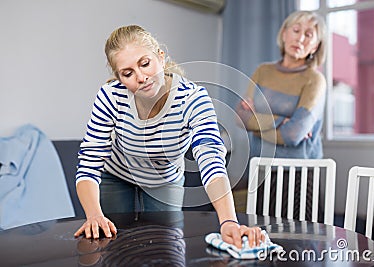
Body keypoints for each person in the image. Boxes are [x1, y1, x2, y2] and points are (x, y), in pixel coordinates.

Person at [73, 25, 263, 248]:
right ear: (119, 78)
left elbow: (211, 159)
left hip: (165, 179)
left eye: (145, 64)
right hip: (116, 175)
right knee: (113, 248)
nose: (141, 77)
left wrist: (229, 221)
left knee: (166, 246)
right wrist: (94, 215)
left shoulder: (192, 98)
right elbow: (89, 163)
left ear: (160, 58)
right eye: (128, 73)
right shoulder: (110, 96)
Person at [236, 11, 327, 219]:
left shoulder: (315, 80)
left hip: (300, 176)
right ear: (284, 34)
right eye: (295, 30)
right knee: (262, 238)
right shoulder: (263, 71)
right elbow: (240, 117)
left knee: (299, 244)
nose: (300, 38)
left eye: (309, 35)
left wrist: (257, 123)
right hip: (262, 169)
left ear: (315, 46)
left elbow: (293, 135)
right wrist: (278, 121)